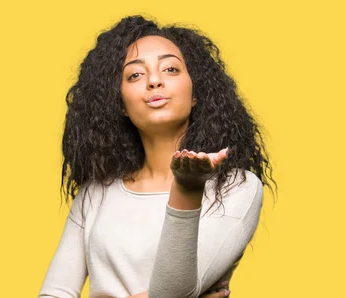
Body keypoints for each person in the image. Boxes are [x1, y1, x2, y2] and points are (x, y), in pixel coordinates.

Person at [38, 15, 276, 298]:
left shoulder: (237, 187)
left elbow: (173, 291)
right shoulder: (95, 193)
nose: (154, 81)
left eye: (171, 69)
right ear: (121, 104)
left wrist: (187, 188)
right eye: (135, 75)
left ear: (195, 93)